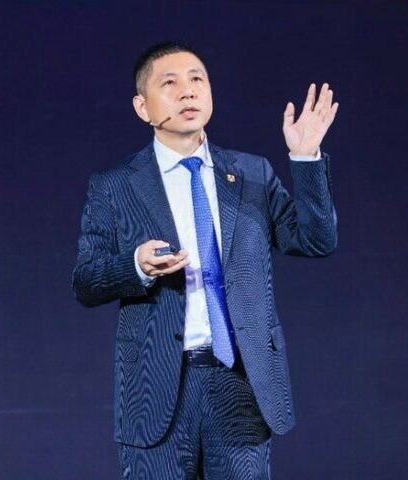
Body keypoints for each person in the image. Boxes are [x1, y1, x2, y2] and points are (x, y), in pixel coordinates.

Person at [72, 41, 339, 479]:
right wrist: (136, 265)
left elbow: (316, 240)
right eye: (170, 83)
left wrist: (305, 157)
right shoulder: (115, 185)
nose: (188, 91)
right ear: (142, 106)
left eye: (197, 79)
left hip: (240, 382)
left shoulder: (252, 174)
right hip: (157, 388)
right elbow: (86, 280)